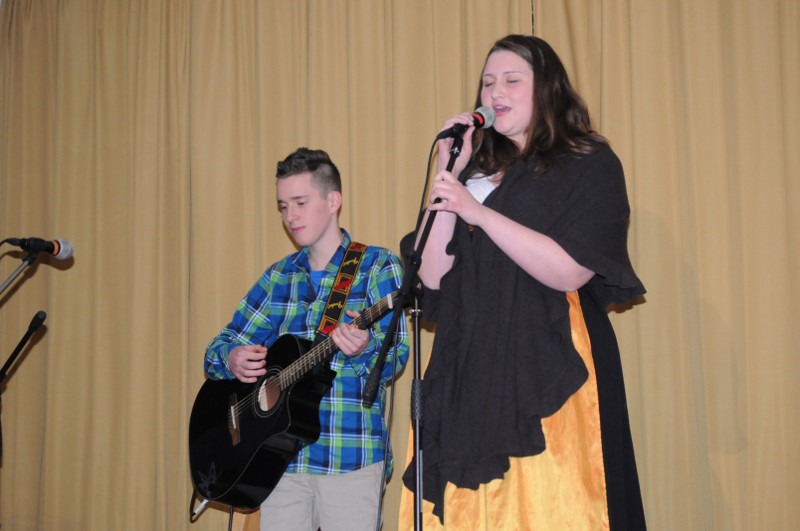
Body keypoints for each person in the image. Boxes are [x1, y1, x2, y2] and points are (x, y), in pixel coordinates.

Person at [400, 35, 647, 529]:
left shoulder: (587, 162)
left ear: (548, 89)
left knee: (550, 507)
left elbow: (572, 269)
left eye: (512, 80)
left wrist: (480, 214)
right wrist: (449, 171)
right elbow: (431, 274)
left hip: (547, 357)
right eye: (488, 82)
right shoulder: (472, 173)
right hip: (469, 364)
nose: (495, 92)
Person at [205, 147, 409, 530]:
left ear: (334, 201)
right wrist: (230, 357)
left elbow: (395, 357)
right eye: (283, 206)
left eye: (300, 203)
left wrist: (365, 348)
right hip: (279, 463)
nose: (290, 216)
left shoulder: (377, 266)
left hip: (349, 458)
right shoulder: (278, 277)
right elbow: (219, 347)